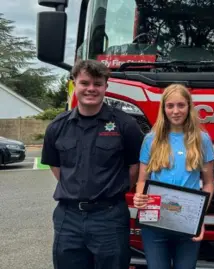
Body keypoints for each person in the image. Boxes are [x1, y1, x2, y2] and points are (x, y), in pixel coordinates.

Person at [41, 59, 145, 269]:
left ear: (106, 86)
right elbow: (56, 167)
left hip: (109, 217)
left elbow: (135, 168)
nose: (91, 89)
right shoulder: (57, 127)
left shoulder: (126, 125)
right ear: (74, 84)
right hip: (68, 218)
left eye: (97, 84)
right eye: (85, 83)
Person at [133, 83, 214, 269]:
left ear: (189, 107)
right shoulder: (151, 139)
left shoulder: (202, 140)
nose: (176, 111)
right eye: (170, 106)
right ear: (163, 108)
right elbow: (142, 181)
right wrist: (140, 197)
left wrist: (199, 218)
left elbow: (209, 184)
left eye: (181, 105)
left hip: (187, 222)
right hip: (154, 221)